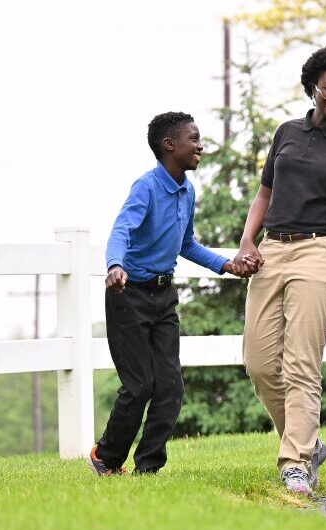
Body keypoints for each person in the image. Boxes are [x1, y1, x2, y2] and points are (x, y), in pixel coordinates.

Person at [236, 44, 326, 498]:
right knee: (258, 362)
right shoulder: (286, 133)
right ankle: (309, 442)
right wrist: (247, 240)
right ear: (313, 86)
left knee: (301, 362)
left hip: (319, 253)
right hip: (272, 250)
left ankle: (295, 461)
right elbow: (264, 194)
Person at [89, 111, 248, 476]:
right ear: (169, 145)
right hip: (129, 293)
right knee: (139, 384)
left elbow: (186, 243)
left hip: (164, 297)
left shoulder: (187, 190)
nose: (200, 145)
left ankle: (148, 468)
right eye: (194, 139)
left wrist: (225, 265)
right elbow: (121, 229)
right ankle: (106, 457)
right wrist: (115, 265)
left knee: (170, 386)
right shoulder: (146, 187)